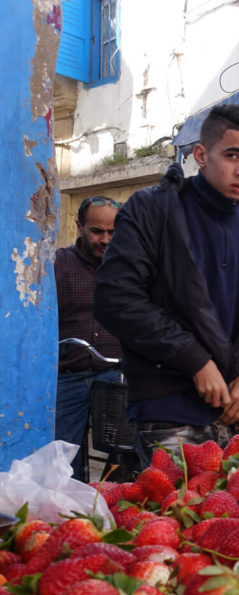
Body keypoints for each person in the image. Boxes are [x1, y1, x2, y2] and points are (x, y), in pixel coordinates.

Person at [94, 104, 239, 466]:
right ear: (201, 154)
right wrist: (195, 359)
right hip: (166, 404)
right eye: (233, 155)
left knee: (231, 517)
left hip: (235, 412)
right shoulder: (154, 211)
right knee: (182, 517)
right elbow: (116, 298)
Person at [55, 196, 123, 481]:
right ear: (79, 225)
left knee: (123, 450)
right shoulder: (57, 264)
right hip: (67, 377)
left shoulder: (129, 267)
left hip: (114, 374)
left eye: (112, 232)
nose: (105, 239)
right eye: (97, 231)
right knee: (62, 454)